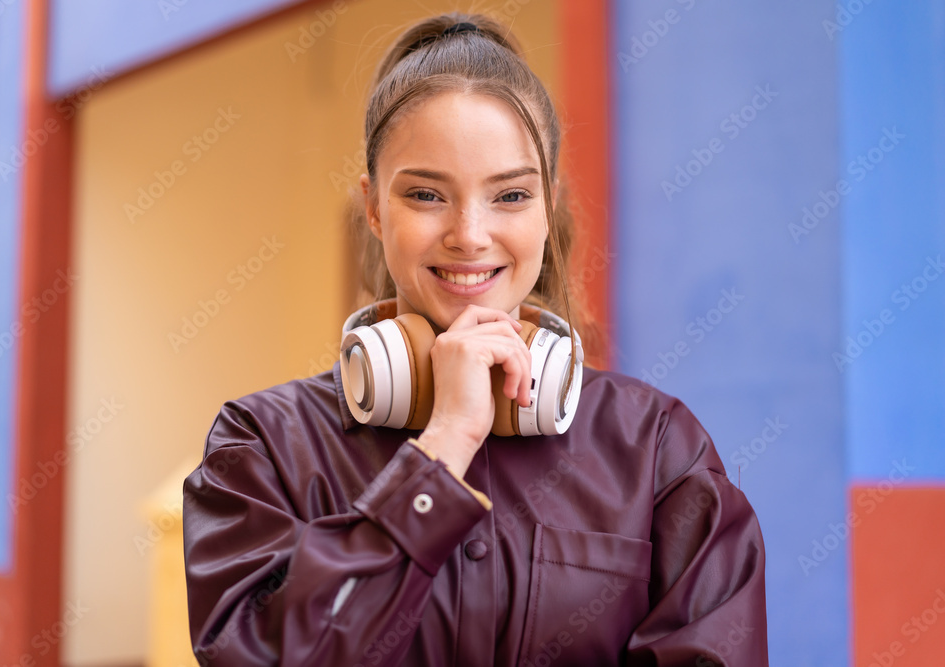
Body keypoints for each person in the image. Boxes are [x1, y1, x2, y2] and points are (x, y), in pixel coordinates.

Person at [182, 12, 768, 666]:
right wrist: (441, 450)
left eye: (510, 194)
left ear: (549, 206)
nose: (469, 233)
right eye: (427, 194)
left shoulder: (659, 449)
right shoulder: (260, 447)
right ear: (374, 208)